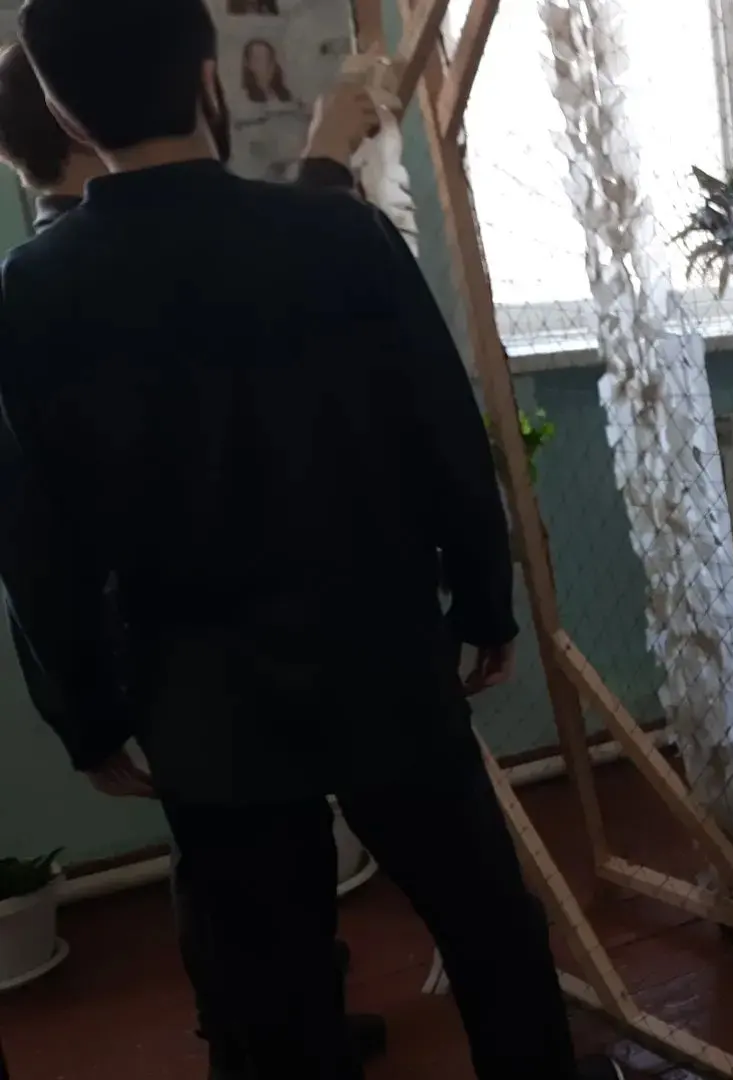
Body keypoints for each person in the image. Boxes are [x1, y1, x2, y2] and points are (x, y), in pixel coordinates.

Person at [0, 0, 622, 1075]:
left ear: (61, 112)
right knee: (489, 929)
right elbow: (442, 434)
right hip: (383, 658)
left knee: (266, 991)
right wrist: (486, 604)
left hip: (202, 695)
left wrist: (87, 718)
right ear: (210, 78)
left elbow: (38, 539)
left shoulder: (33, 291)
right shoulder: (340, 236)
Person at [0, 44, 389, 1078]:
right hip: (212, 647)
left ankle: (286, 1028)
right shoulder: (77, 271)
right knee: (247, 887)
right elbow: (247, 301)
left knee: (245, 873)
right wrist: (323, 159)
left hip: (180, 662)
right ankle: (273, 1044)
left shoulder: (51, 268)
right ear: (74, 122)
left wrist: (83, 709)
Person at [240, 39, 292, 105]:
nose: (265, 65)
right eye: (259, 59)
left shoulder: (284, 96)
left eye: (268, 59)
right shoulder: (242, 99)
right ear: (248, 64)